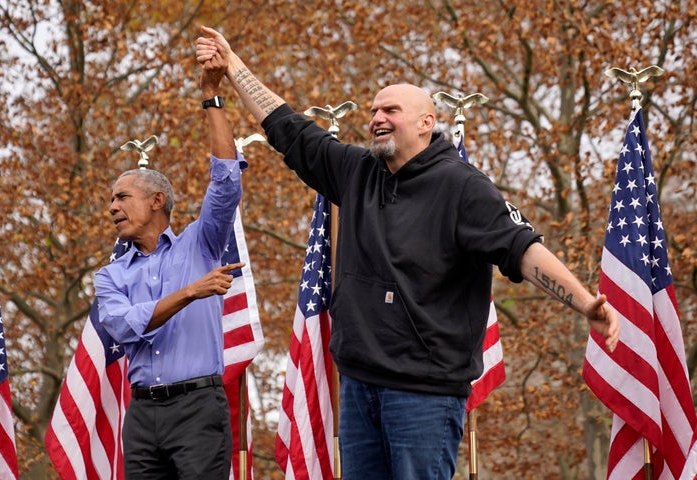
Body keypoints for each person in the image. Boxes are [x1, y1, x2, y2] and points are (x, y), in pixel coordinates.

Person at [196, 26, 620, 480]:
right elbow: (286, 126)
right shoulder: (357, 170)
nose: (377, 116)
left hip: (424, 397)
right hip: (358, 387)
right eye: (374, 109)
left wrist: (584, 302)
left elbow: (522, 249)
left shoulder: (463, 187)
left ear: (425, 122)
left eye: (391, 110)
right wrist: (233, 65)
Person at [95, 40, 247, 480]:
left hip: (199, 410)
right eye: (111, 199)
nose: (112, 207)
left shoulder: (200, 244)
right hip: (141, 415)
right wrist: (191, 292)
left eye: (122, 197)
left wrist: (211, 99)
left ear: (157, 201)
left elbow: (226, 182)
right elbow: (123, 327)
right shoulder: (110, 275)